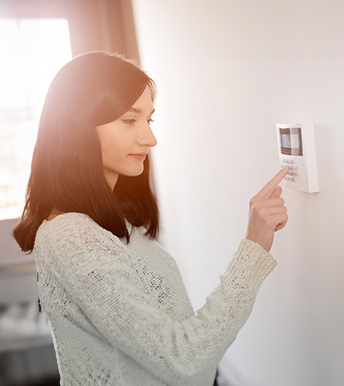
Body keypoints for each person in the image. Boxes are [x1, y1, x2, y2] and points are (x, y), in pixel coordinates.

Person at [13, 52, 288, 386]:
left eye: (149, 120)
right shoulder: (72, 236)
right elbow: (183, 361)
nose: (150, 138)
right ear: (77, 127)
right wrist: (254, 248)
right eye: (130, 120)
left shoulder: (109, 220)